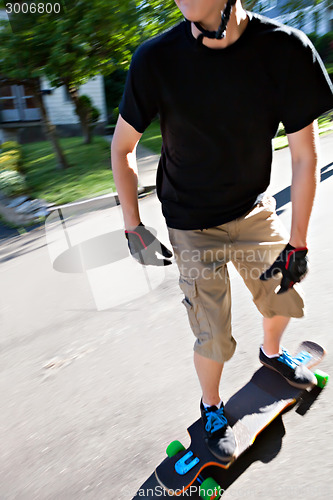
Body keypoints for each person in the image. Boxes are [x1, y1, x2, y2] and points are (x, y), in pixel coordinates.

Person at [111, 0, 333, 462]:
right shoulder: (156, 58)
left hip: (252, 210)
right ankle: (211, 406)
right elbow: (122, 147)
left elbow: (305, 155)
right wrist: (133, 227)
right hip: (191, 222)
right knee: (212, 335)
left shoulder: (286, 49)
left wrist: (299, 242)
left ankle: (272, 353)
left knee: (283, 296)